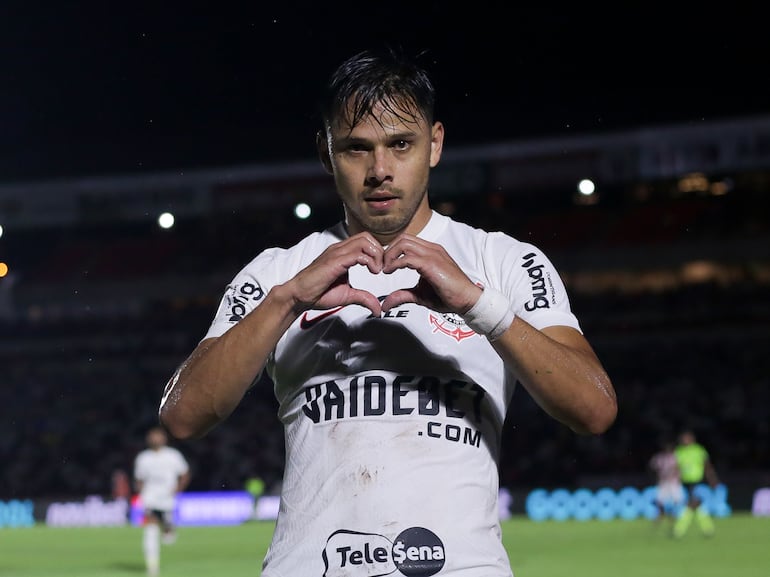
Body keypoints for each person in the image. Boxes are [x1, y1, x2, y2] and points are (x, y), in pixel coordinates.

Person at [158, 46, 617, 576]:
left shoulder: (504, 261)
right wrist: (285, 302)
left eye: (401, 144)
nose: (380, 170)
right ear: (326, 154)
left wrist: (478, 304)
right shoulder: (278, 271)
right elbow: (183, 416)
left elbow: (595, 409)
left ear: (435, 144)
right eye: (357, 149)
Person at [133, 426, 191, 576]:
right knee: (150, 528)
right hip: (150, 498)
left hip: (167, 498)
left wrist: (178, 489)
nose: (155, 439)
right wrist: (141, 495)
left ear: (164, 439)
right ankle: (152, 567)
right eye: (152, 436)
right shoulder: (143, 458)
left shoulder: (173, 456)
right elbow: (139, 479)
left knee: (167, 532)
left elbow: (185, 474)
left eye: (158, 436)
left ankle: (168, 527)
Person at [673, 429, 718, 538]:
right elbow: (676, 467)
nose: (685, 440)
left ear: (692, 439)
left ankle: (679, 530)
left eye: (687, 438)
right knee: (695, 505)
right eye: (683, 439)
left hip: (697, 481)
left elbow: (707, 465)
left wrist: (712, 479)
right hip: (685, 482)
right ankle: (707, 528)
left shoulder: (698, 450)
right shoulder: (679, 451)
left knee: (692, 503)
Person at [648, 439, 684, 524]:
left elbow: (679, 468)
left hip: (673, 482)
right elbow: (652, 467)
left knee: (677, 499)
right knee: (660, 499)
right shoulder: (658, 457)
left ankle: (674, 515)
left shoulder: (675, 457)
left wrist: (678, 477)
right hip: (663, 482)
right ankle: (661, 514)